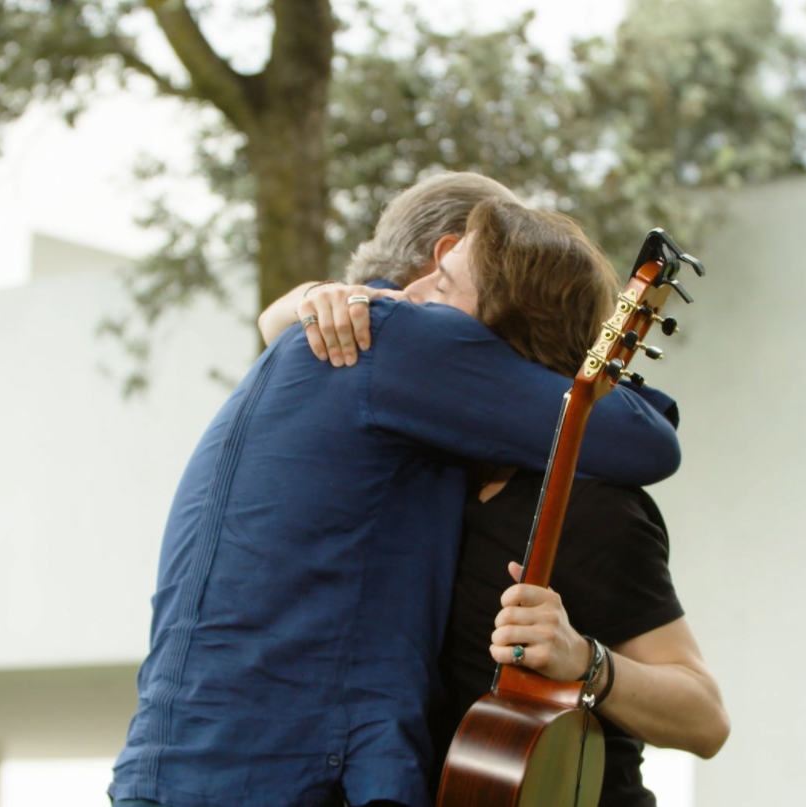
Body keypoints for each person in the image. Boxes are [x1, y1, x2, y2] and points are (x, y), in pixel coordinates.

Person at [109, 175, 682, 807]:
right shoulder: (395, 336)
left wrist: (294, 300)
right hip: (276, 775)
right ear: (443, 253)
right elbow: (642, 439)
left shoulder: (322, 343)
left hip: (190, 765)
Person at [275, 218, 730, 807]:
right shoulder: (421, 472)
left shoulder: (595, 508)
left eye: (441, 287)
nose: (411, 298)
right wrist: (314, 298)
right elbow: (273, 327)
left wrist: (584, 659)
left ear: (497, 337)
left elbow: (705, 717)